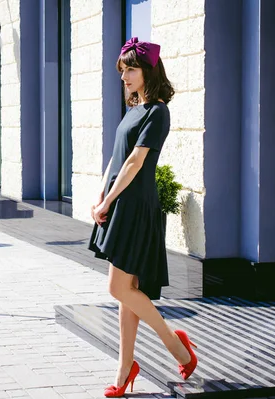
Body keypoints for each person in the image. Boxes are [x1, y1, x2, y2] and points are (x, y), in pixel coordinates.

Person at [88, 37, 198, 398]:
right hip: (119, 203)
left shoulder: (157, 112)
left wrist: (111, 200)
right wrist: (101, 195)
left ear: (148, 70)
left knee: (118, 288)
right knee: (126, 292)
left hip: (136, 207)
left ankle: (177, 346)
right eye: (123, 71)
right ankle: (125, 369)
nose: (125, 77)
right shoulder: (133, 110)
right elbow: (116, 157)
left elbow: (135, 162)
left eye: (130, 69)